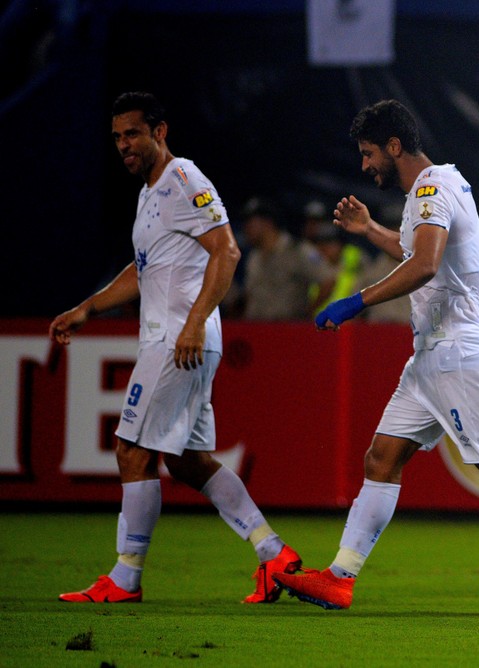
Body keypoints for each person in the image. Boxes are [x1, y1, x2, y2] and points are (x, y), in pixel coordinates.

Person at [272, 99, 479, 613]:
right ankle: (340, 577)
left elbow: (425, 265)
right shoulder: (443, 183)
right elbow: (422, 254)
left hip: (457, 350)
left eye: (370, 153)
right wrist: (371, 231)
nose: (366, 164)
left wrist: (356, 300)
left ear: (395, 146)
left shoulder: (431, 188)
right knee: (381, 458)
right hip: (431, 357)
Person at [51, 92, 303, 605]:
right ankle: (274, 555)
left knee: (132, 451)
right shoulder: (149, 194)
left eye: (134, 135)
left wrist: (192, 323)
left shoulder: (183, 179)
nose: (124, 145)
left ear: (159, 132)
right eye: (117, 137)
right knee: (188, 461)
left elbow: (226, 250)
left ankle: (125, 579)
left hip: (177, 341)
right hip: (183, 339)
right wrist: (89, 307)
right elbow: (143, 270)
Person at [238, 196, 335, 320]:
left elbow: (328, 280)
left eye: (250, 222)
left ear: (267, 223)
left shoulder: (297, 249)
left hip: (287, 328)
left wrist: (307, 313)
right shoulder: (254, 256)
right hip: (256, 328)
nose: (246, 228)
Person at [353, 201, 412, 323]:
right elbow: (354, 309)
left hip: (411, 333)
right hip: (377, 333)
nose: (396, 233)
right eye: (390, 228)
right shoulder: (372, 267)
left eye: (400, 227)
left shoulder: (422, 266)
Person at [304, 199, 365, 310]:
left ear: (340, 244)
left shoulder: (355, 258)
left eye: (330, 243)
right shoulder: (311, 262)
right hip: (316, 322)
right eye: (321, 243)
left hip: (348, 322)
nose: (326, 248)